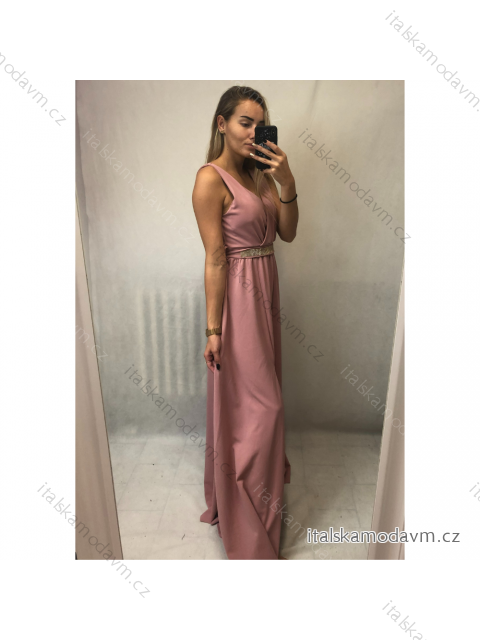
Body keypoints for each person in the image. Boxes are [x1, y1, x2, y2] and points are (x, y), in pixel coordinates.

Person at [192, 86, 299, 559]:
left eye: (260, 123)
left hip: (266, 292)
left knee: (255, 407)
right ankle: (248, 522)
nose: (254, 132)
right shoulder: (209, 179)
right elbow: (215, 258)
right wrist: (213, 331)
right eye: (244, 122)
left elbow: (287, 233)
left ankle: (260, 501)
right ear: (222, 124)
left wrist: (286, 182)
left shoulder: (260, 176)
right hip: (238, 300)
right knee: (263, 410)